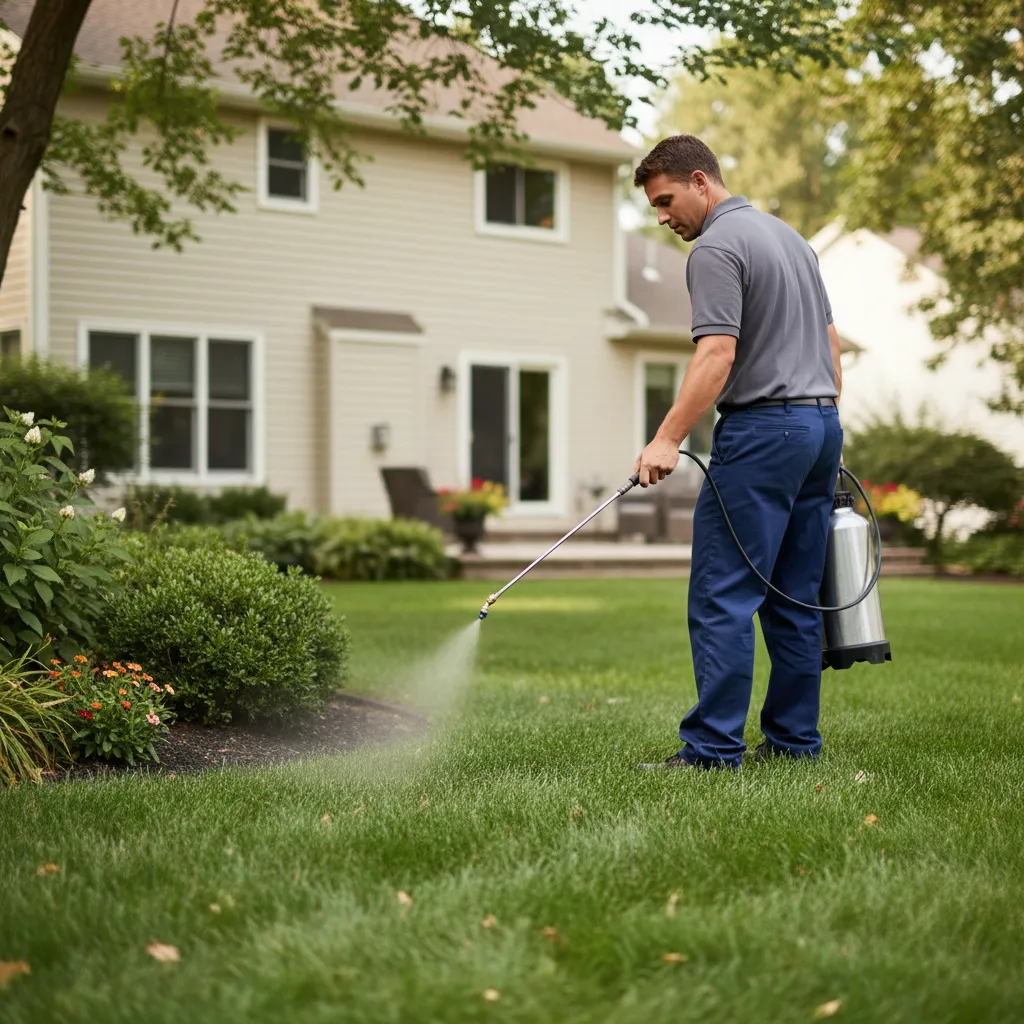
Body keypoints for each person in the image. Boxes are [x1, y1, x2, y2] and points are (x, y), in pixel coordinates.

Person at [631, 134, 845, 771]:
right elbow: (831, 348)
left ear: (702, 181)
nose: (664, 217)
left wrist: (667, 436)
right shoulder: (792, 240)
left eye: (667, 201)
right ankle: (792, 743)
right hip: (819, 427)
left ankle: (712, 749)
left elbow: (716, 354)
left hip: (764, 434)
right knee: (796, 596)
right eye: (654, 210)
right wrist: (823, 424)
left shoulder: (718, 246)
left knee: (723, 595)